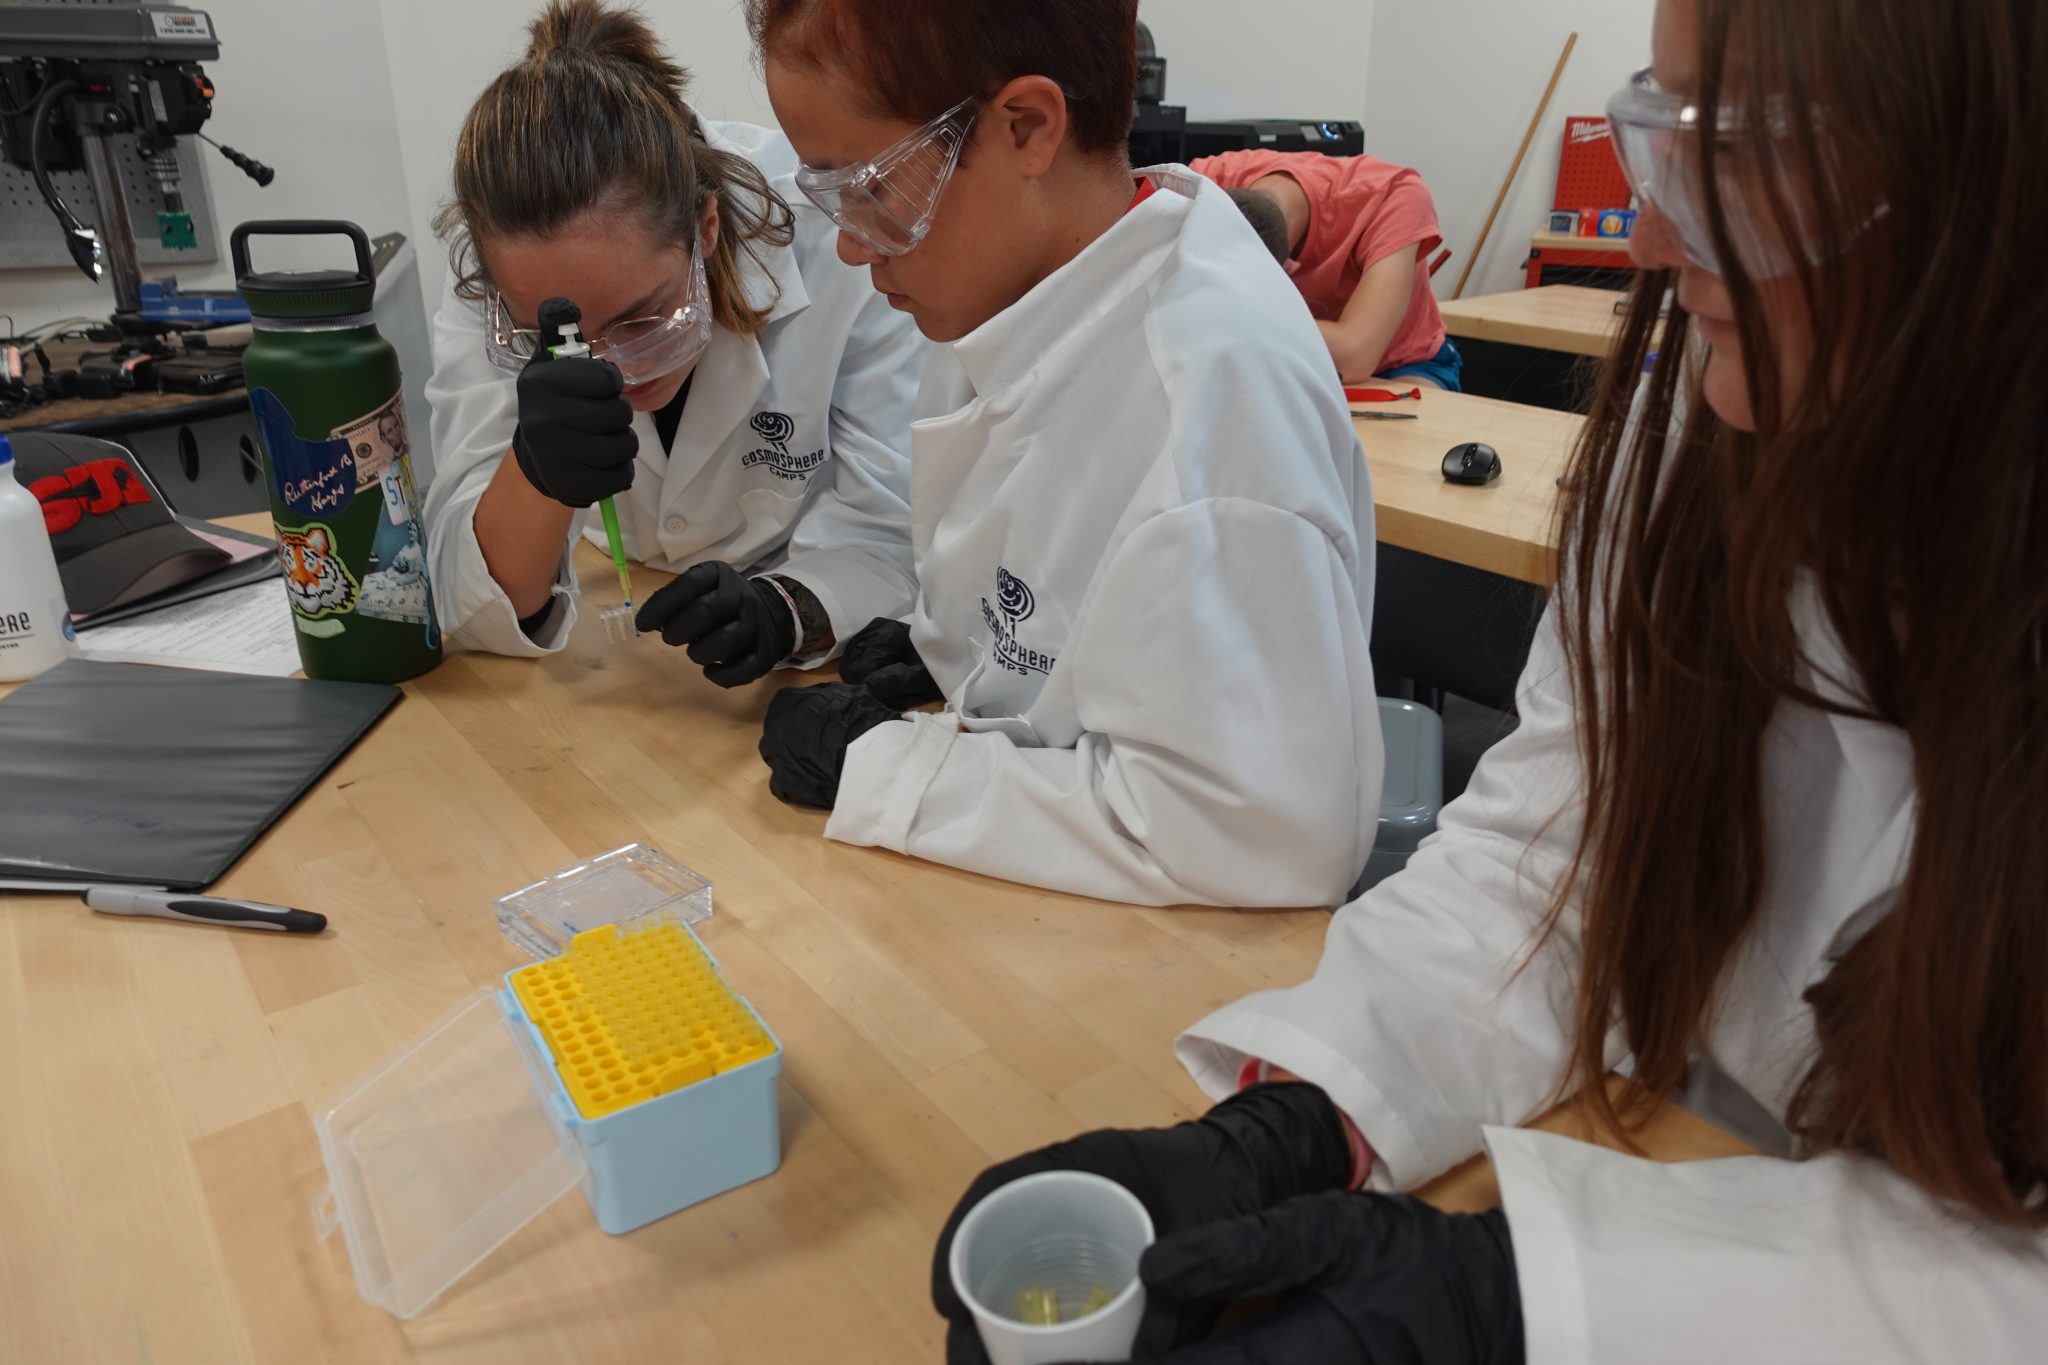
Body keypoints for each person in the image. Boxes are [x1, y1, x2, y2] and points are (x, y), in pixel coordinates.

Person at [931, 0, 2048, 1358]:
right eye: (1663, 138)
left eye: (1740, 155)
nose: (1649, 237)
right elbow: (1555, 852)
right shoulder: (1706, 418)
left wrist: (1515, 1295)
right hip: (1706, 1168)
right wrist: (1303, 1117)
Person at [744, 0, 1383, 908]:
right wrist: (959, 650)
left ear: (1028, 128)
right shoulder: (1015, 286)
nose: (849, 245)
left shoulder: (1206, 400)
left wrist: (885, 768)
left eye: (870, 189)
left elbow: (1251, 834)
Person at [421, 0, 925, 682]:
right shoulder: (499, 282)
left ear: (707, 225)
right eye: (568, 340)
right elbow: (467, 595)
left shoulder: (838, 242)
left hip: (794, 613)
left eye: (644, 318)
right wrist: (535, 476)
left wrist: (786, 609)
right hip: (605, 614)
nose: (617, 369)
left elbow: (893, 528)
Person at [1195, 149, 1462, 390]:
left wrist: (1219, 318)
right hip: (1272, 358)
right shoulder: (1201, 184)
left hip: (1395, 365)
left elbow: (1354, 356)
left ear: (1284, 269)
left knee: (1402, 426)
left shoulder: (1393, 196)